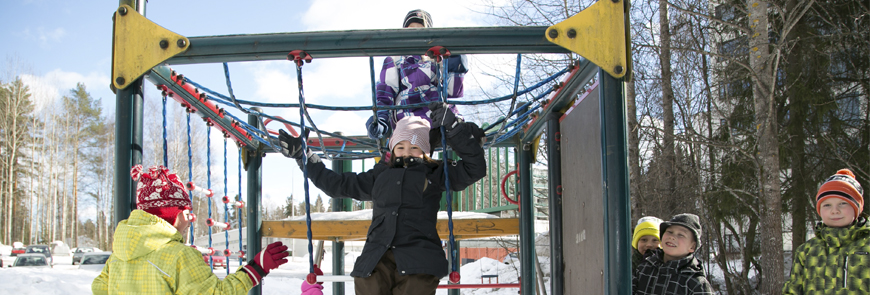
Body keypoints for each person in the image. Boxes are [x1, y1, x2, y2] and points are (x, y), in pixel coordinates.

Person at [278, 103, 486, 295]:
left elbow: (475, 168)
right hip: (378, 256)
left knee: (416, 285)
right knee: (367, 283)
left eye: (415, 148)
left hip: (419, 256)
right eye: (400, 147)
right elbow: (336, 185)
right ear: (393, 149)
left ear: (425, 152)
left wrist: (455, 130)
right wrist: (304, 157)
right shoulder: (379, 176)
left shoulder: (435, 173)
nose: (407, 152)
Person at [92, 165, 289, 294]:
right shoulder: (179, 256)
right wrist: (256, 268)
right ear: (171, 213)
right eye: (186, 213)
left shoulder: (119, 254)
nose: (189, 221)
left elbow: (99, 288)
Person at [366, 9, 469, 142]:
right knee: (408, 150)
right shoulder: (396, 58)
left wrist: (456, 63)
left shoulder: (437, 60)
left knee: (466, 132)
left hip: (437, 115)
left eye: (421, 30)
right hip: (408, 116)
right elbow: (386, 91)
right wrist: (381, 119)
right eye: (411, 30)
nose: (416, 34)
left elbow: (453, 92)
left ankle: (464, 152)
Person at [783, 168, 869, 294]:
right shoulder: (807, 251)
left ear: (856, 208)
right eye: (827, 205)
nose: (835, 211)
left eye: (843, 203)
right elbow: (792, 291)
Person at [633, 213, 714, 295]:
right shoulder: (644, 268)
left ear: (692, 247)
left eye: (681, 235)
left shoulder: (696, 284)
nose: (672, 237)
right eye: (670, 232)